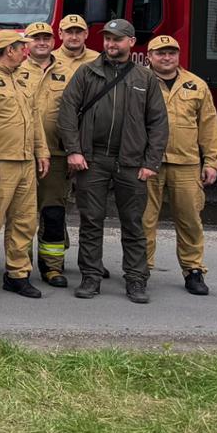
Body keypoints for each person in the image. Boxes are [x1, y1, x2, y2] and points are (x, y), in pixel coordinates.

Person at [59, 19, 168, 303]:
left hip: (132, 163)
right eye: (107, 39)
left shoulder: (145, 78)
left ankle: (136, 280)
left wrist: (151, 163)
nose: (111, 44)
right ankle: (90, 277)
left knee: (133, 224)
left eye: (117, 39)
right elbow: (68, 111)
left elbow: (158, 124)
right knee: (91, 222)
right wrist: (74, 150)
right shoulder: (87, 72)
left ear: (131, 42)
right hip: (92, 161)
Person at [0, 30, 49, 300]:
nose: (25, 52)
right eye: (21, 48)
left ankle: (17, 274)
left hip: (26, 160)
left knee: (25, 222)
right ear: (8, 50)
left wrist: (42, 151)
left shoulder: (22, 78)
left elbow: (34, 117)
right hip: (0, 163)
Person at [143, 35, 217, 295]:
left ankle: (193, 270)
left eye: (171, 53)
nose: (166, 58)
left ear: (178, 55)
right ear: (149, 56)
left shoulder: (196, 85)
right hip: (147, 163)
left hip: (186, 163)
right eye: (161, 53)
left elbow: (209, 127)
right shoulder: (138, 82)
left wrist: (212, 162)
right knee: (143, 220)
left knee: (189, 220)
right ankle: (141, 269)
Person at [14, 21, 77, 286]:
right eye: (36, 38)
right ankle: (20, 266)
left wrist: (75, 150)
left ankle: (53, 267)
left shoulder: (71, 72)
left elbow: (78, 114)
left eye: (46, 38)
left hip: (57, 155)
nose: (41, 42)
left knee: (53, 213)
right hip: (21, 154)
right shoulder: (14, 70)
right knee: (22, 214)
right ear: (27, 43)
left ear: (54, 41)